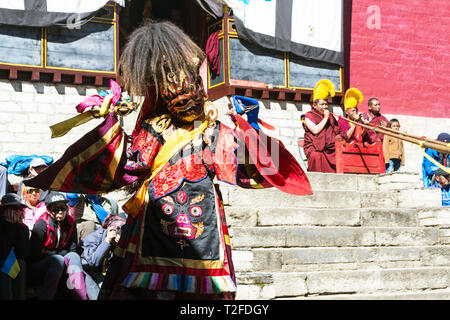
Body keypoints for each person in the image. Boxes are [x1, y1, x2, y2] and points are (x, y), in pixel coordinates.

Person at [24, 20, 312, 300]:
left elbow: (257, 170)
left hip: (201, 232)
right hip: (150, 226)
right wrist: (111, 123)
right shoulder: (153, 127)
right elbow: (127, 168)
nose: (187, 94)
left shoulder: (213, 130)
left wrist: (251, 131)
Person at [28, 191, 89, 300]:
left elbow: (73, 250)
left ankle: (81, 297)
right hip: (39, 266)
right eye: (55, 209)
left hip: (59, 261)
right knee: (58, 259)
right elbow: (35, 254)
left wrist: (52, 253)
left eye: (63, 208)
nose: (60, 212)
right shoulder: (41, 224)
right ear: (48, 210)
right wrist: (58, 254)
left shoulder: (71, 222)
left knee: (74, 257)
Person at [80, 213, 126, 298]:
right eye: (119, 233)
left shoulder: (122, 243)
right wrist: (107, 241)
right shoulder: (94, 238)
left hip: (106, 276)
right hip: (89, 274)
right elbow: (91, 263)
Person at [302, 79, 342, 173]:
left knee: (338, 155)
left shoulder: (331, 116)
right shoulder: (308, 116)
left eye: (326, 104)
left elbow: (337, 131)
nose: (325, 107)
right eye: (322, 104)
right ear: (314, 105)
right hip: (314, 147)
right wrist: (325, 118)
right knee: (316, 156)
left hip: (329, 148)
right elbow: (315, 131)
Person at [0, 193, 29, 300]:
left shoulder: (23, 229)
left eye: (20, 208)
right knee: (5, 263)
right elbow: (3, 252)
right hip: (2, 261)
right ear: (4, 211)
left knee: (21, 263)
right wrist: (9, 225)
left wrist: (17, 227)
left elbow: (23, 254)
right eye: (14, 208)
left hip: (17, 265)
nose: (18, 211)